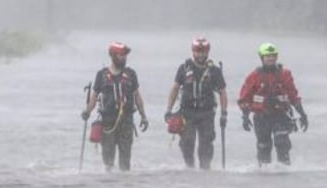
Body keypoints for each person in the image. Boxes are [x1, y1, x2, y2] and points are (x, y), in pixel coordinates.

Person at [81, 42, 149, 171]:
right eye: (121, 55)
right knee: (108, 162)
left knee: (125, 163)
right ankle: (109, 186)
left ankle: (124, 187)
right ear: (113, 55)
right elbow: (94, 96)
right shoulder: (101, 75)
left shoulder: (131, 74)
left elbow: (137, 96)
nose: (124, 57)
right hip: (107, 123)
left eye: (125, 55)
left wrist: (143, 116)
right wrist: (87, 111)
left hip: (127, 122)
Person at [238, 42, 308, 165]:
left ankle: (284, 171)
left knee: (282, 143)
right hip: (261, 117)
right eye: (267, 56)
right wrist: (245, 116)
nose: (271, 58)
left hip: (280, 115)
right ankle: (264, 175)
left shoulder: (284, 75)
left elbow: (293, 95)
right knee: (263, 147)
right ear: (262, 58)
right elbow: (245, 98)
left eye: (273, 55)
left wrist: (303, 114)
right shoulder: (254, 77)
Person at [164, 37, 228, 169]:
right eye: (198, 51)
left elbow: (222, 92)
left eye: (203, 51)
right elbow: (175, 89)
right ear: (193, 52)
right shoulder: (184, 68)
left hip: (207, 113)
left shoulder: (215, 71)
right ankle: (190, 167)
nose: (200, 54)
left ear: (208, 52)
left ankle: (205, 169)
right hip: (187, 113)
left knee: (206, 144)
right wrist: (168, 110)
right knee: (187, 142)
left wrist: (224, 113)